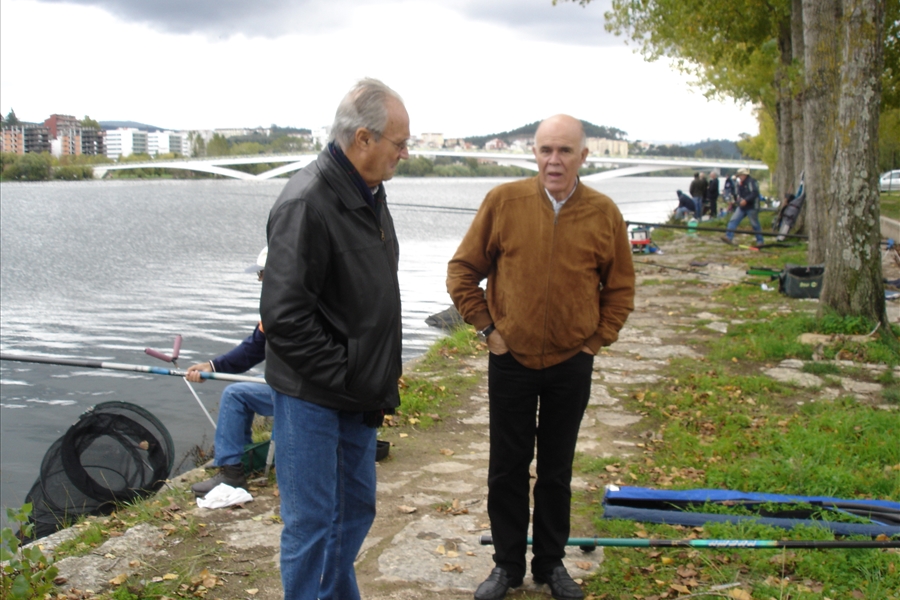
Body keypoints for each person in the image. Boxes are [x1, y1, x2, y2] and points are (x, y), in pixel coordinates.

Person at [447, 115, 635, 600]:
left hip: (571, 361)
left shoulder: (604, 213)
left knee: (556, 470)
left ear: (583, 156)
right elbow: (462, 271)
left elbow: (620, 288)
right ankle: (506, 566)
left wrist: (596, 341)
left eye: (565, 151)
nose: (554, 160)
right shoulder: (503, 202)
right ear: (534, 152)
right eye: (546, 150)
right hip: (511, 358)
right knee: (506, 468)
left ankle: (550, 564)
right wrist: (488, 329)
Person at [259, 78, 407, 600]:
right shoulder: (306, 203)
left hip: (356, 393)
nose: (405, 154)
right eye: (399, 143)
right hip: (313, 396)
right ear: (363, 139)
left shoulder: (369, 193)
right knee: (312, 523)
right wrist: (349, 373)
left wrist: (369, 377)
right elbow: (284, 318)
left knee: (356, 510)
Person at [186, 247, 273, 498]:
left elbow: (254, 350)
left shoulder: (281, 307)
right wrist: (212, 366)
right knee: (247, 386)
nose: (259, 280)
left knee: (235, 395)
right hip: (303, 382)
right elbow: (254, 348)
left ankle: (232, 473)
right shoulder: (287, 303)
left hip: (302, 389)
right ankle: (242, 460)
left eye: (262, 274)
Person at [721, 167, 765, 247]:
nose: (739, 177)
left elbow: (754, 193)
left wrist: (746, 200)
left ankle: (760, 241)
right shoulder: (740, 183)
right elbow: (739, 194)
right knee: (733, 220)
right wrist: (738, 201)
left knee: (755, 224)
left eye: (740, 175)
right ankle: (728, 237)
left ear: (744, 175)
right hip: (742, 207)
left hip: (752, 206)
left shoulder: (751, 182)